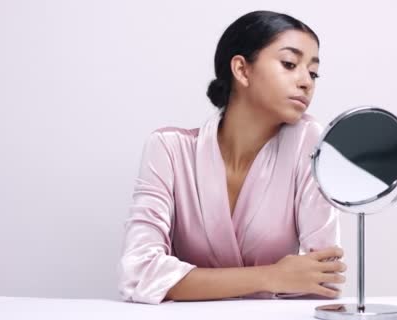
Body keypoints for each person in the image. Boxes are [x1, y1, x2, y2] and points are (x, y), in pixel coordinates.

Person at [117, 10, 346, 304]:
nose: (306, 82)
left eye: (313, 72)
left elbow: (320, 280)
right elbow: (138, 274)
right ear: (241, 69)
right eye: (289, 64)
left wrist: (183, 282)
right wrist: (272, 276)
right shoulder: (168, 150)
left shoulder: (309, 141)